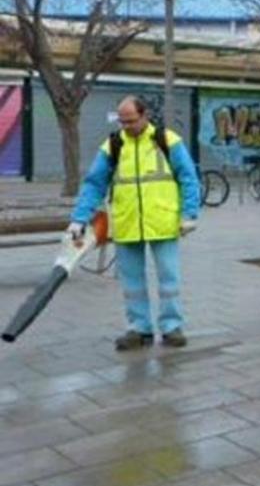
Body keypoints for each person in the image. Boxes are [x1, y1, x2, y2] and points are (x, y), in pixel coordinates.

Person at [68, 96, 201, 351]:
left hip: (162, 222)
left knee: (168, 280)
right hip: (127, 223)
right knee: (132, 283)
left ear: (144, 115)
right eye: (122, 121)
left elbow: (188, 177)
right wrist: (79, 219)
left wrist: (190, 214)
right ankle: (139, 329)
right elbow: (94, 184)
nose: (126, 126)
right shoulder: (114, 145)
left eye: (131, 121)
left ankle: (172, 327)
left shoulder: (167, 140)